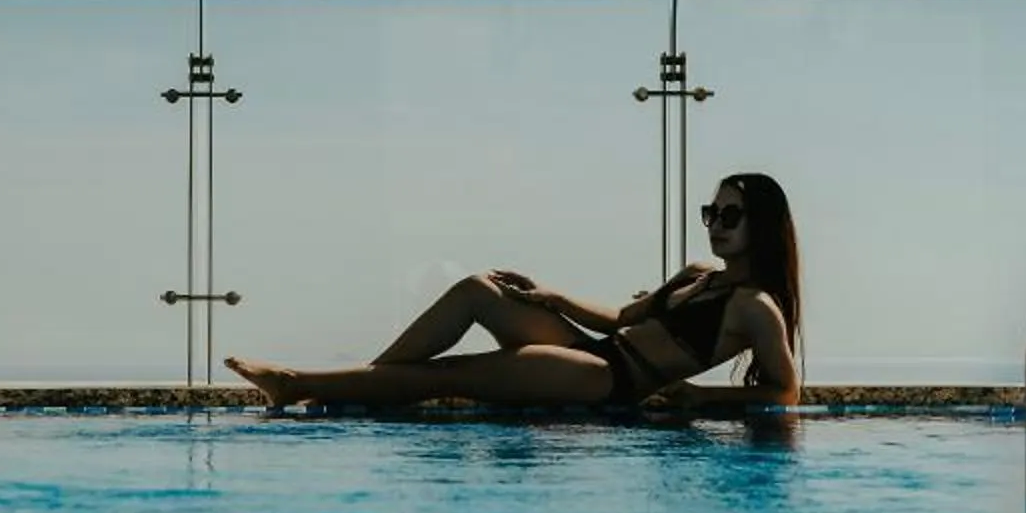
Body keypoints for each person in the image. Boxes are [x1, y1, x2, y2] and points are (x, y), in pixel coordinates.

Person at [224, 172, 804, 413]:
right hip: (600, 350)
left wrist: (702, 400)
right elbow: (622, 316)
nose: (716, 222)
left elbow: (786, 392)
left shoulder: (755, 308)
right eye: (711, 210)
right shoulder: (698, 272)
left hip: (608, 381)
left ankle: (298, 384)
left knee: (452, 374)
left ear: (763, 225)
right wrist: (551, 297)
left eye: (732, 213)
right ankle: (363, 386)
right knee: (478, 289)